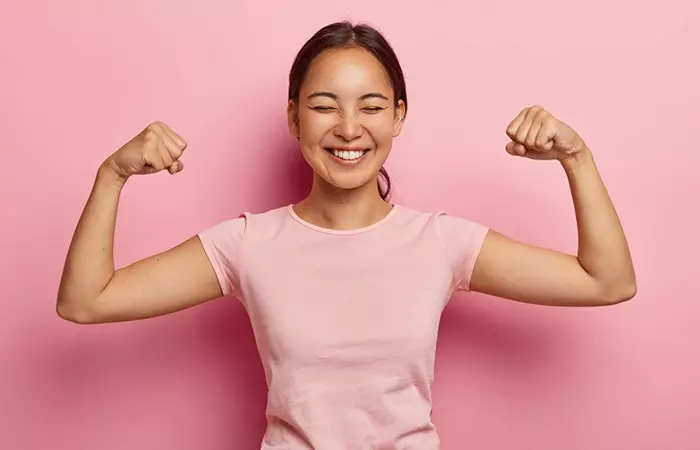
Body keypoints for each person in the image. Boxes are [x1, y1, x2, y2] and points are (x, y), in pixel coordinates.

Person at [57, 20, 636, 449]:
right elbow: (86, 301)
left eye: (372, 106)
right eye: (324, 106)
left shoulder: (439, 243)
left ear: (399, 117)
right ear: (294, 119)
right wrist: (112, 175)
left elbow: (606, 281)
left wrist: (577, 158)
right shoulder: (247, 245)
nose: (349, 128)